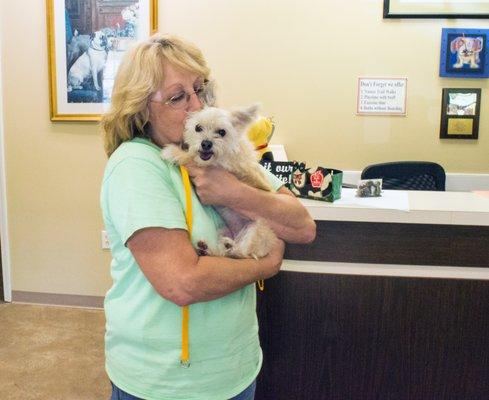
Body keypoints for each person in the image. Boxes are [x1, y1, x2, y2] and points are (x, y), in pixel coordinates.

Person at [100, 33, 316, 400]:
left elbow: (302, 226)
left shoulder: (227, 150)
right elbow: (182, 282)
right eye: (178, 96)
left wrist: (234, 192)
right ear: (141, 107)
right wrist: (266, 265)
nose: (197, 104)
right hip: (166, 381)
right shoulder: (136, 166)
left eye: (200, 89)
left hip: (235, 366)